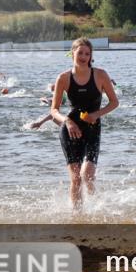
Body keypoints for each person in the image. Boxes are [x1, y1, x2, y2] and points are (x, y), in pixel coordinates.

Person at [50, 37, 119, 210]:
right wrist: (67, 122)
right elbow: (54, 110)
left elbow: (114, 102)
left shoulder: (100, 75)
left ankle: (97, 208)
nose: (83, 57)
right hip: (70, 131)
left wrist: (96, 114)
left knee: (87, 175)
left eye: (87, 54)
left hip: (92, 129)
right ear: (72, 53)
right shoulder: (63, 78)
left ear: (91, 56)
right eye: (80, 52)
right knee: (76, 178)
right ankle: (77, 215)